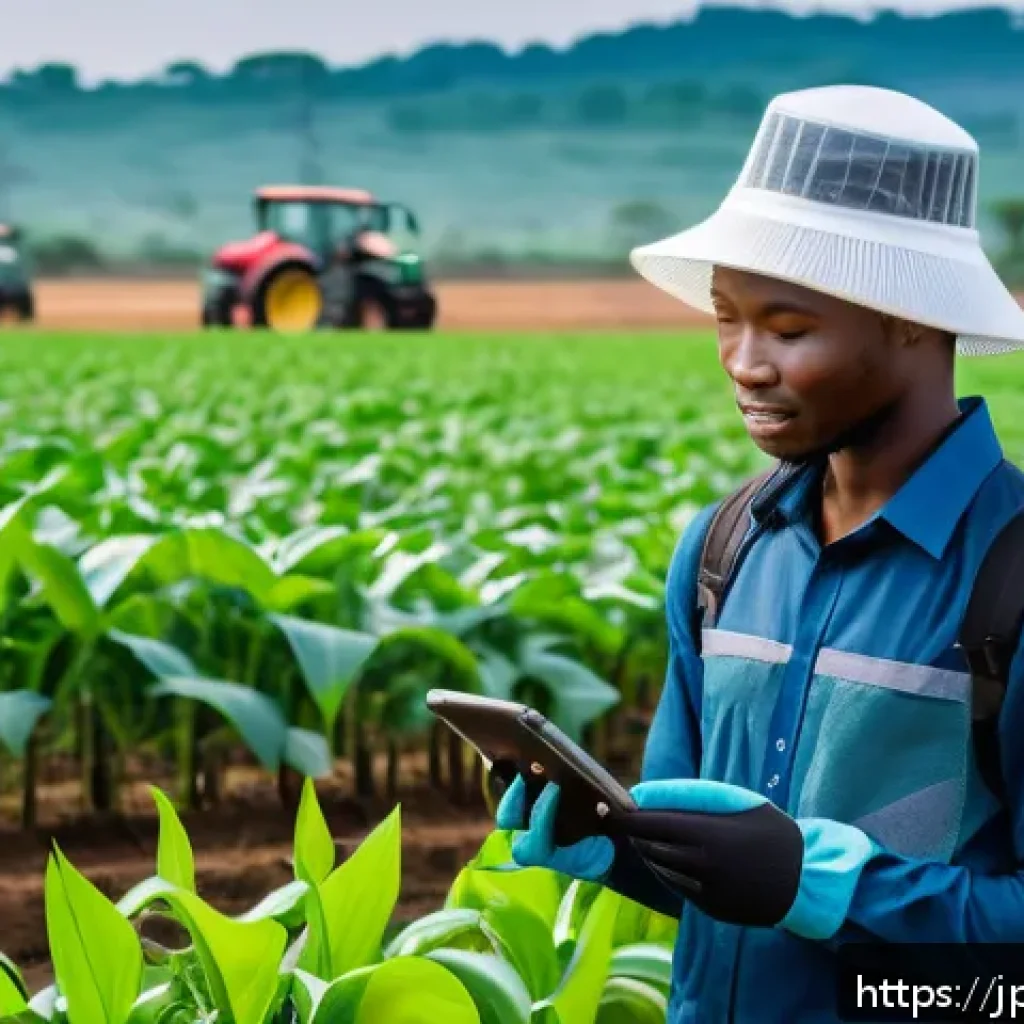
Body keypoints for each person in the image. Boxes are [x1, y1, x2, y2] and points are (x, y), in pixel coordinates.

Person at [494, 85, 1024, 1022]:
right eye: (725, 317)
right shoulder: (723, 549)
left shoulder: (1011, 578)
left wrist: (831, 890)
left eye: (787, 328)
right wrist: (611, 840)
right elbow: (710, 878)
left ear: (911, 315)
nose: (744, 361)